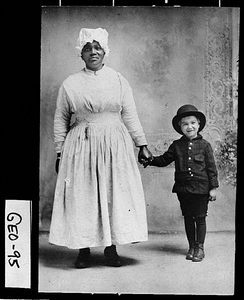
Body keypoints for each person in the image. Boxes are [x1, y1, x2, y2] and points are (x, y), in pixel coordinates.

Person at [49, 27, 152, 268]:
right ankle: (83, 250)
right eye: (87, 48)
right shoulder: (70, 84)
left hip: (114, 143)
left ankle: (111, 248)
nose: (93, 52)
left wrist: (142, 144)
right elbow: (60, 118)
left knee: (112, 192)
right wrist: (59, 150)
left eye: (97, 48)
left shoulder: (118, 79)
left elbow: (130, 113)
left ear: (105, 51)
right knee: (82, 195)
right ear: (80, 54)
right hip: (81, 145)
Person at [142, 104, 219, 262]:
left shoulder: (205, 146)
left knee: (200, 218)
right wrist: (150, 160)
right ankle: (191, 246)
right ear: (180, 127)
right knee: (188, 218)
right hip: (183, 189)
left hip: (201, 189)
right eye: (185, 124)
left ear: (198, 124)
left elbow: (212, 168)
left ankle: (200, 248)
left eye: (192, 123)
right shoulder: (177, 145)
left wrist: (213, 188)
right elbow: (164, 160)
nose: (189, 127)